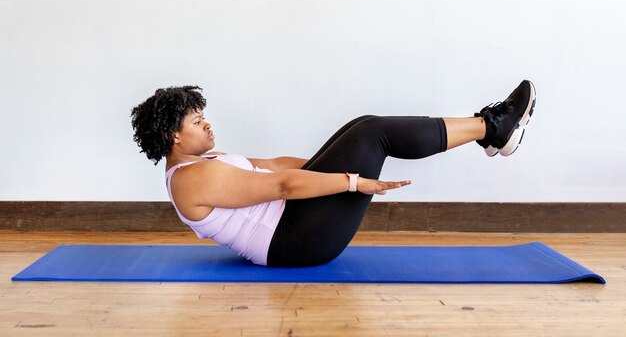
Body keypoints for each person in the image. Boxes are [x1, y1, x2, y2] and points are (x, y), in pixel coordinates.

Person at [130, 81, 536, 267]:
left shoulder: (200, 163)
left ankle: (491, 131)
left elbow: (273, 166)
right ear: (172, 136)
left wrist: (334, 161)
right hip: (296, 243)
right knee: (372, 133)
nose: (207, 125)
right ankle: (492, 128)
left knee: (361, 127)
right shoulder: (190, 180)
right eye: (197, 121)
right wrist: (352, 180)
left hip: (295, 228)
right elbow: (281, 186)